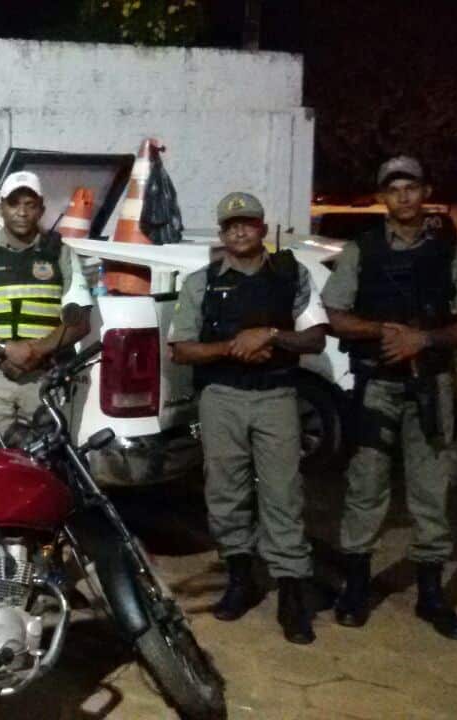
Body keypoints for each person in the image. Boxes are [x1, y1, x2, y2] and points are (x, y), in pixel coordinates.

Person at [322, 156, 457, 640]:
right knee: (366, 485)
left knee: (431, 488)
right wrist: (385, 332)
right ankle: (356, 587)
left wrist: (424, 340)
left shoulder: (449, 251)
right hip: (377, 383)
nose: (403, 196)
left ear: (425, 191)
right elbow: (335, 314)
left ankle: (431, 595)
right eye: (393, 189)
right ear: (382, 197)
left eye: (411, 186)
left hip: (431, 383)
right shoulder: (363, 250)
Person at [169, 192, 328, 644]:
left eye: (247, 222)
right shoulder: (201, 282)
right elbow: (181, 349)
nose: (239, 230)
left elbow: (315, 338)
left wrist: (271, 335)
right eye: (230, 225)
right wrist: (234, 346)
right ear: (221, 233)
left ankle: (292, 592)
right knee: (225, 493)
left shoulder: (290, 275)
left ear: (261, 227)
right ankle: (240, 579)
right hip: (221, 398)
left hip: (276, 396)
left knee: (283, 493)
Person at [0, 171, 92, 436]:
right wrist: (7, 349)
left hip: (45, 376)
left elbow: (79, 321)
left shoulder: (62, 254)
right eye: (14, 204)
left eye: (30, 204)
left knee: (48, 456)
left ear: (41, 209)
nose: (22, 212)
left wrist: (36, 351)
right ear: (1, 207)